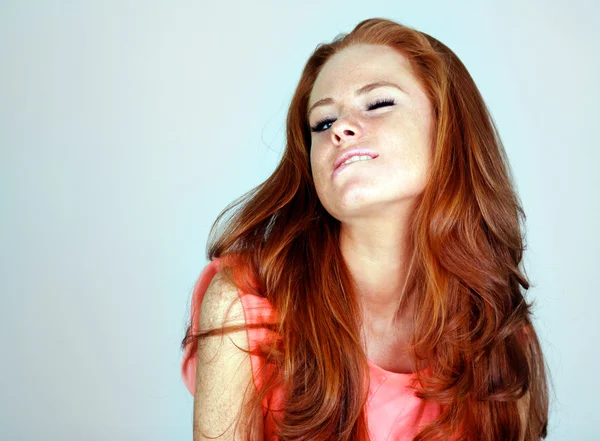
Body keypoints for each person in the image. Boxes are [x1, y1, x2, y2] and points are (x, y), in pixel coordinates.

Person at [180, 17, 550, 441]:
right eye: (322, 123)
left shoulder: (502, 328)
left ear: (449, 127)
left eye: (378, 104)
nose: (340, 128)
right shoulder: (244, 301)